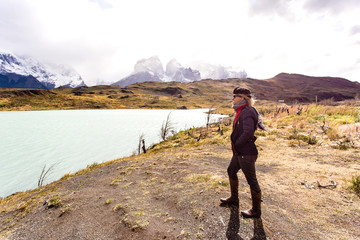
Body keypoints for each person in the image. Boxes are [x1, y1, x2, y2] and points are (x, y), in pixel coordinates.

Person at [220, 87, 264, 218]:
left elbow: (248, 132)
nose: (232, 98)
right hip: (240, 152)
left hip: (246, 152)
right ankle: (234, 199)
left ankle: (256, 210)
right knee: (231, 171)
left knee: (251, 180)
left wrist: (237, 144)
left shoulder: (247, 111)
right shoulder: (242, 110)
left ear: (242, 98)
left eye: (235, 96)